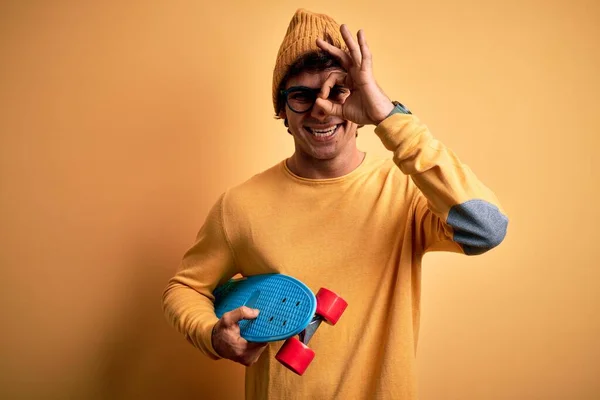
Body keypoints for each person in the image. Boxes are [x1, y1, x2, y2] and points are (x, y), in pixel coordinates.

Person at [162, 8, 508, 400]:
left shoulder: (406, 192)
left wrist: (387, 116)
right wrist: (211, 335)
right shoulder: (239, 206)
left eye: (336, 92)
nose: (321, 109)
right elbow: (186, 288)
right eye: (300, 96)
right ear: (281, 111)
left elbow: (487, 229)